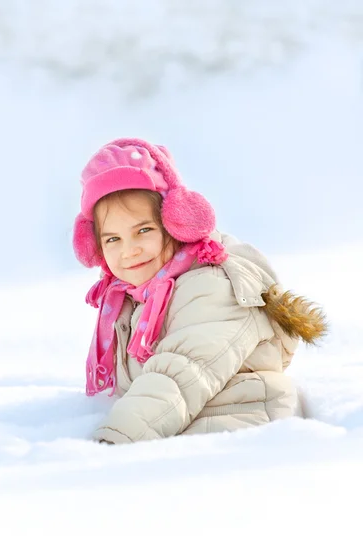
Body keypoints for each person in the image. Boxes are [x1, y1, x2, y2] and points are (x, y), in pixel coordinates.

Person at [72, 137, 327, 444]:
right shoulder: (136, 297)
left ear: (175, 223)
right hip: (190, 430)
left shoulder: (212, 287)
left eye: (144, 230)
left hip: (244, 432)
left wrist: (115, 439)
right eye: (113, 239)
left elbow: (178, 376)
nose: (130, 251)